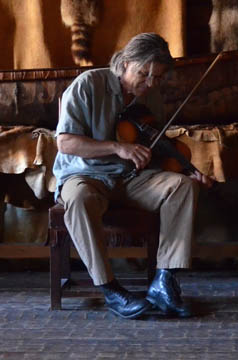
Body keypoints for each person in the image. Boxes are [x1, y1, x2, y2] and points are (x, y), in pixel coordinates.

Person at [53, 33, 213, 319]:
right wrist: (117, 147)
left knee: (182, 186)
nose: (150, 84)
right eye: (144, 74)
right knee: (77, 199)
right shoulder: (88, 85)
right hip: (86, 175)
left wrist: (187, 170)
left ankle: (164, 281)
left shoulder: (151, 97)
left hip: (130, 179)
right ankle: (111, 289)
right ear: (125, 63)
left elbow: (155, 147)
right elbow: (65, 142)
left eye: (158, 77)